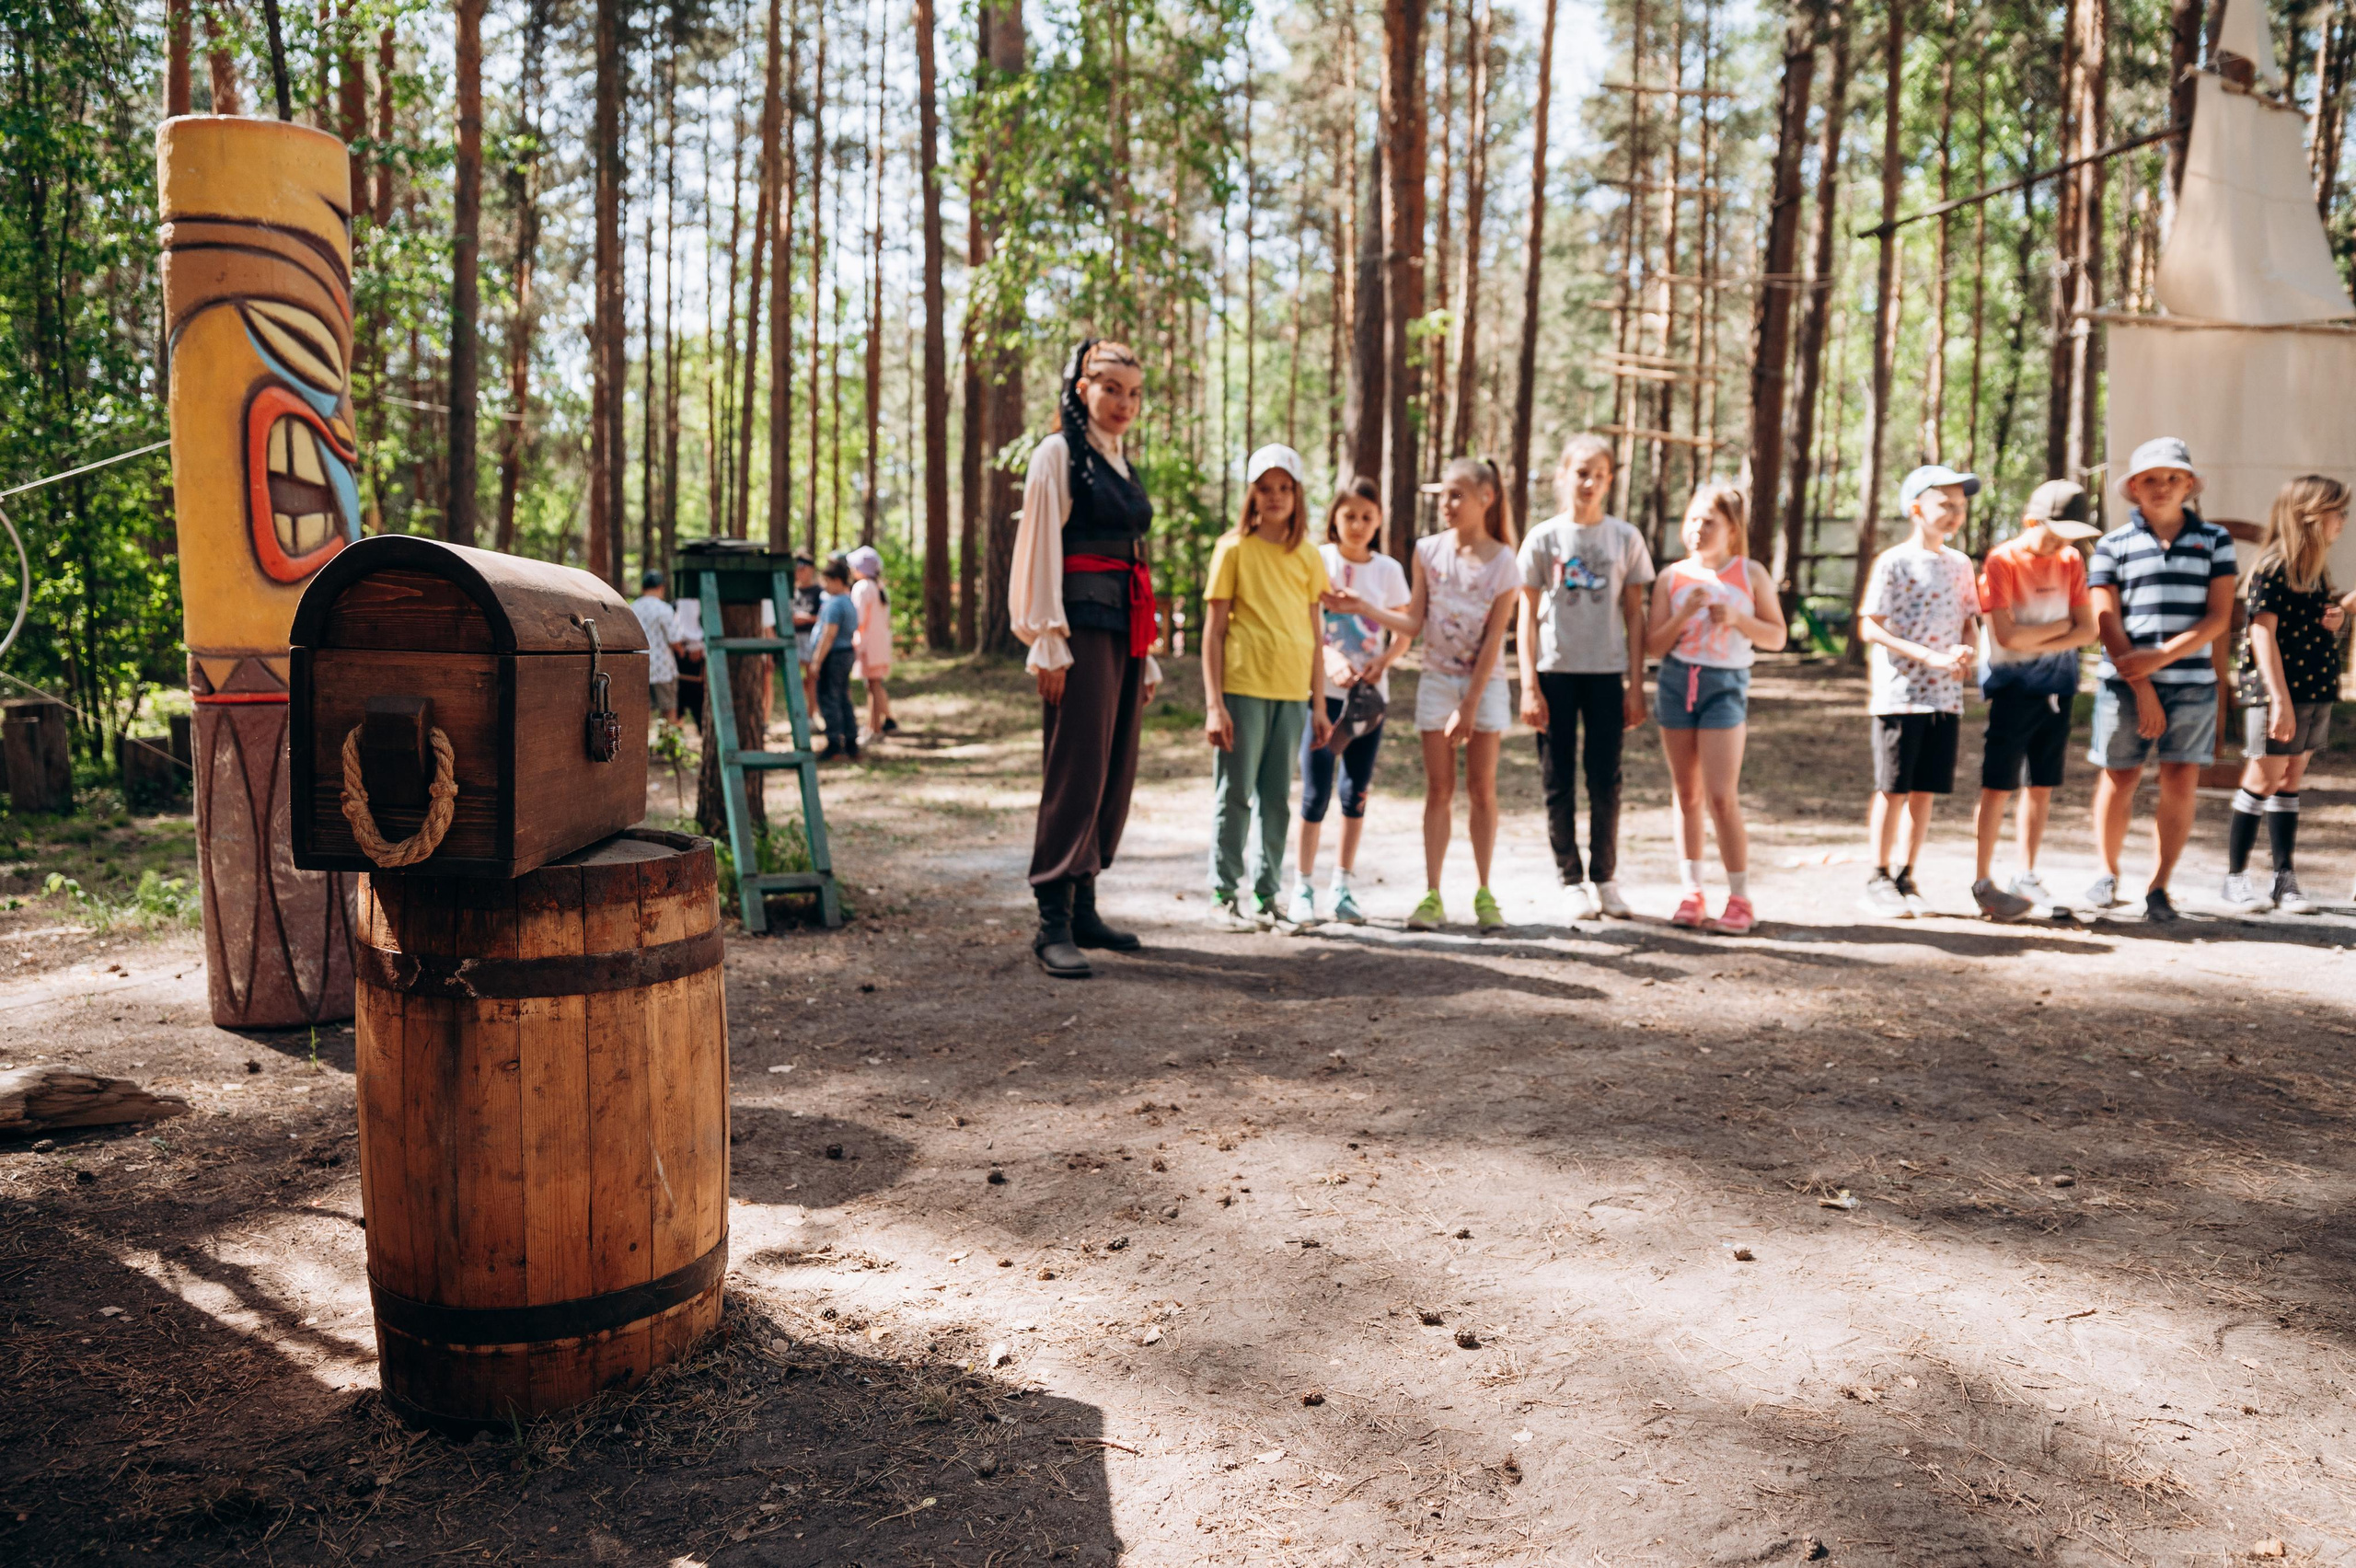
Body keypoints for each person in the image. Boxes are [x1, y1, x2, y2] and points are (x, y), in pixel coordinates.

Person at [1007, 340, 1161, 979]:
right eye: (1111, 389)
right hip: (1078, 632)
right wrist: (1048, 639)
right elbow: (1040, 547)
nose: (1123, 403)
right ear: (1081, 389)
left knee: (1112, 769)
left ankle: (1087, 904)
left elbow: (1133, 558)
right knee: (1076, 769)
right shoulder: (1057, 454)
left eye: (1133, 392)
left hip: (1123, 631)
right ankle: (1053, 923)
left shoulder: (1117, 460)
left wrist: (1145, 652)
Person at [1334, 457, 1520, 932]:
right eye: (1443, 496)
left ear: (1487, 498)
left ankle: (1484, 894)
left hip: (1485, 686)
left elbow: (1494, 642)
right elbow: (1414, 623)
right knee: (1439, 790)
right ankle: (1432, 896)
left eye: (1457, 495)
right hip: (1436, 682)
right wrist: (1365, 607)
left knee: (1482, 789)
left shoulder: (1504, 562)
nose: (1447, 505)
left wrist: (1470, 705)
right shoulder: (1427, 551)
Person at [2085, 436, 2238, 923]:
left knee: (2180, 777)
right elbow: (2106, 621)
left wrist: (2163, 657)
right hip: (2125, 683)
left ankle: (2160, 886)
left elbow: (2219, 616)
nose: (2162, 487)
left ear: (2189, 485)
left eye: (2173, 478)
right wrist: (2142, 681)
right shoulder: (2112, 545)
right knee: (2120, 775)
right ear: (2133, 487)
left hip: (2193, 682)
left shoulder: (2215, 540)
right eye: (2150, 479)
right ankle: (2107, 872)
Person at [1516, 432, 1656, 921]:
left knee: (1606, 779)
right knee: (1558, 780)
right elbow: (1525, 616)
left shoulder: (1625, 538)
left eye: (1599, 473)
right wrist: (1528, 685)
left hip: (1606, 674)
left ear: (1610, 479)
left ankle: (1606, 878)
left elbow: (1636, 615)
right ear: (1563, 475)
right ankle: (1569, 879)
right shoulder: (1543, 538)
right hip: (1554, 673)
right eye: (1581, 472)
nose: (1590, 481)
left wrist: (1637, 685)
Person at [1644, 481, 1785, 933]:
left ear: (1731, 529)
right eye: (1693, 520)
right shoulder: (1672, 577)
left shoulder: (1751, 574)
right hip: (1675, 683)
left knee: (1721, 795)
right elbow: (1653, 646)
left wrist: (1740, 618)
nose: (1698, 529)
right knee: (1686, 794)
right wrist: (1683, 615)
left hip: (1724, 686)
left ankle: (1740, 899)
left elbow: (1777, 637)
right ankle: (1692, 893)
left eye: (1709, 521)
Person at [1203, 444, 1333, 930]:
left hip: (1292, 694)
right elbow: (1213, 632)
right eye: (1265, 488)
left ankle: (1266, 895)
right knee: (1235, 791)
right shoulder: (1232, 549)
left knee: (1277, 798)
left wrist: (1319, 705)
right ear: (1252, 494)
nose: (1275, 497)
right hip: (1243, 687)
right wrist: (1215, 704)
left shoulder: (1308, 556)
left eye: (1284, 488)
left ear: (1297, 495)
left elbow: (1317, 636)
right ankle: (1223, 893)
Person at [1857, 465, 1983, 919]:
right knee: (1893, 787)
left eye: (1961, 506)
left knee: (1925, 790)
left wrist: (1965, 652)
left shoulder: (1961, 563)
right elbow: (1870, 627)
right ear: (1916, 509)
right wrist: (1926, 656)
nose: (1955, 513)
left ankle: (1909, 876)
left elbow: (1969, 620)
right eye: (1945, 504)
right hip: (1899, 695)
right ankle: (1878, 875)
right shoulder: (1893, 561)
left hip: (1945, 698)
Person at [1971, 479, 2101, 920]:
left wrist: (2041, 636)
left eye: (2070, 534)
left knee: (2042, 785)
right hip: (2011, 689)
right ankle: (1982, 878)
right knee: (1998, 785)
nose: (2062, 543)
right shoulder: (2002, 560)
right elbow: (2005, 636)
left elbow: (2089, 630)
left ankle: (2026, 873)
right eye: (2054, 532)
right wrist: (2062, 628)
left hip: (2059, 689)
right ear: (2031, 521)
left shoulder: (2070, 560)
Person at [2221, 474, 2348, 914]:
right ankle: (2235, 878)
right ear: (2311, 517)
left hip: (2315, 688)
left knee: (2290, 780)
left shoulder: (2314, 572)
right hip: (2277, 693)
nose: (2343, 522)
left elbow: (2311, 626)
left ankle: (2283, 879)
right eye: (2338, 512)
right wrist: (2279, 700)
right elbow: (2262, 635)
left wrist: (2335, 619)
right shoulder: (2273, 567)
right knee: (2263, 779)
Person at [1290, 476, 1408, 927]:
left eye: (1367, 517)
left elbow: (1405, 625)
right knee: (1316, 792)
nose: (1357, 525)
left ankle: (1342, 885)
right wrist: (1326, 656)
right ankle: (1302, 885)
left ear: (1378, 522)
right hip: (1322, 698)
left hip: (1368, 702)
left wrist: (1383, 662)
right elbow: (1306, 623)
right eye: (1349, 516)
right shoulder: (1318, 560)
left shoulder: (1388, 570)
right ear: (1334, 519)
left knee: (1354, 792)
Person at [809, 556, 861, 762]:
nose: (825, 586)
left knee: (830, 699)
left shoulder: (836, 605)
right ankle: (850, 742)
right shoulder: (848, 603)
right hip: (845, 654)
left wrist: (816, 662)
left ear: (838, 580)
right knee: (842, 698)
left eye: (828, 581)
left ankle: (834, 744)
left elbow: (828, 635)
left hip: (834, 656)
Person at [847, 545, 897, 741]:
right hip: (880, 643)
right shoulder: (879, 587)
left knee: (874, 686)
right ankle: (872, 725)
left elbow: (857, 620)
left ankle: (874, 728)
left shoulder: (862, 588)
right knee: (873, 685)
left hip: (868, 645)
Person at [629, 569, 685, 724]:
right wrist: (681, 651)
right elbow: (675, 640)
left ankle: (643, 747)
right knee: (669, 709)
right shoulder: (664, 609)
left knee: (642, 712)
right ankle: (668, 744)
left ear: (642, 588)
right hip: (663, 669)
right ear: (661, 587)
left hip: (639, 667)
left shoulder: (631, 608)